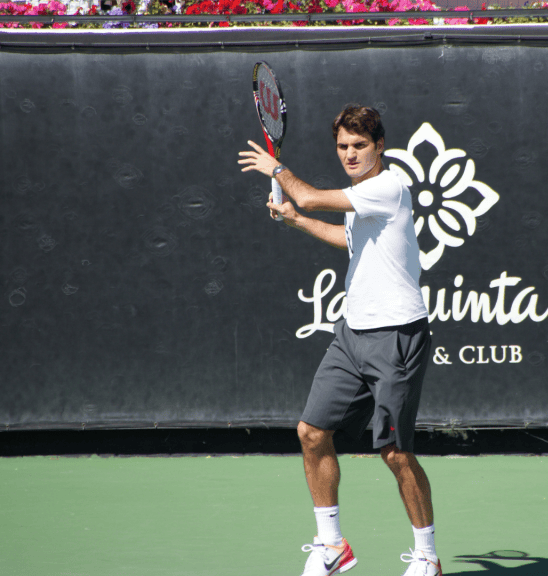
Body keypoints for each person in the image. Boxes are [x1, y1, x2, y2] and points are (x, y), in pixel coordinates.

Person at [238, 105, 441, 576]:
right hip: (351, 335)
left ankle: (427, 555)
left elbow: (309, 196)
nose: (350, 154)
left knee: (395, 453)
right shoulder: (362, 197)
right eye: (342, 146)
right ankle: (332, 545)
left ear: (379, 147)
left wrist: (277, 170)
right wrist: (295, 221)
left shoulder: (388, 187)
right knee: (311, 433)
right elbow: (350, 240)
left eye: (359, 146)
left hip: (396, 336)